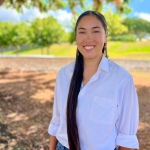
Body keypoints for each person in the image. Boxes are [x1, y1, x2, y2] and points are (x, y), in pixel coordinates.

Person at [48, 11, 139, 150]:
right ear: (76, 37)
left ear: (106, 36)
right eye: (82, 32)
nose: (88, 39)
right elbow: (57, 121)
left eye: (95, 31)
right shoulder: (64, 75)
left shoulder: (122, 79)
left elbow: (126, 136)